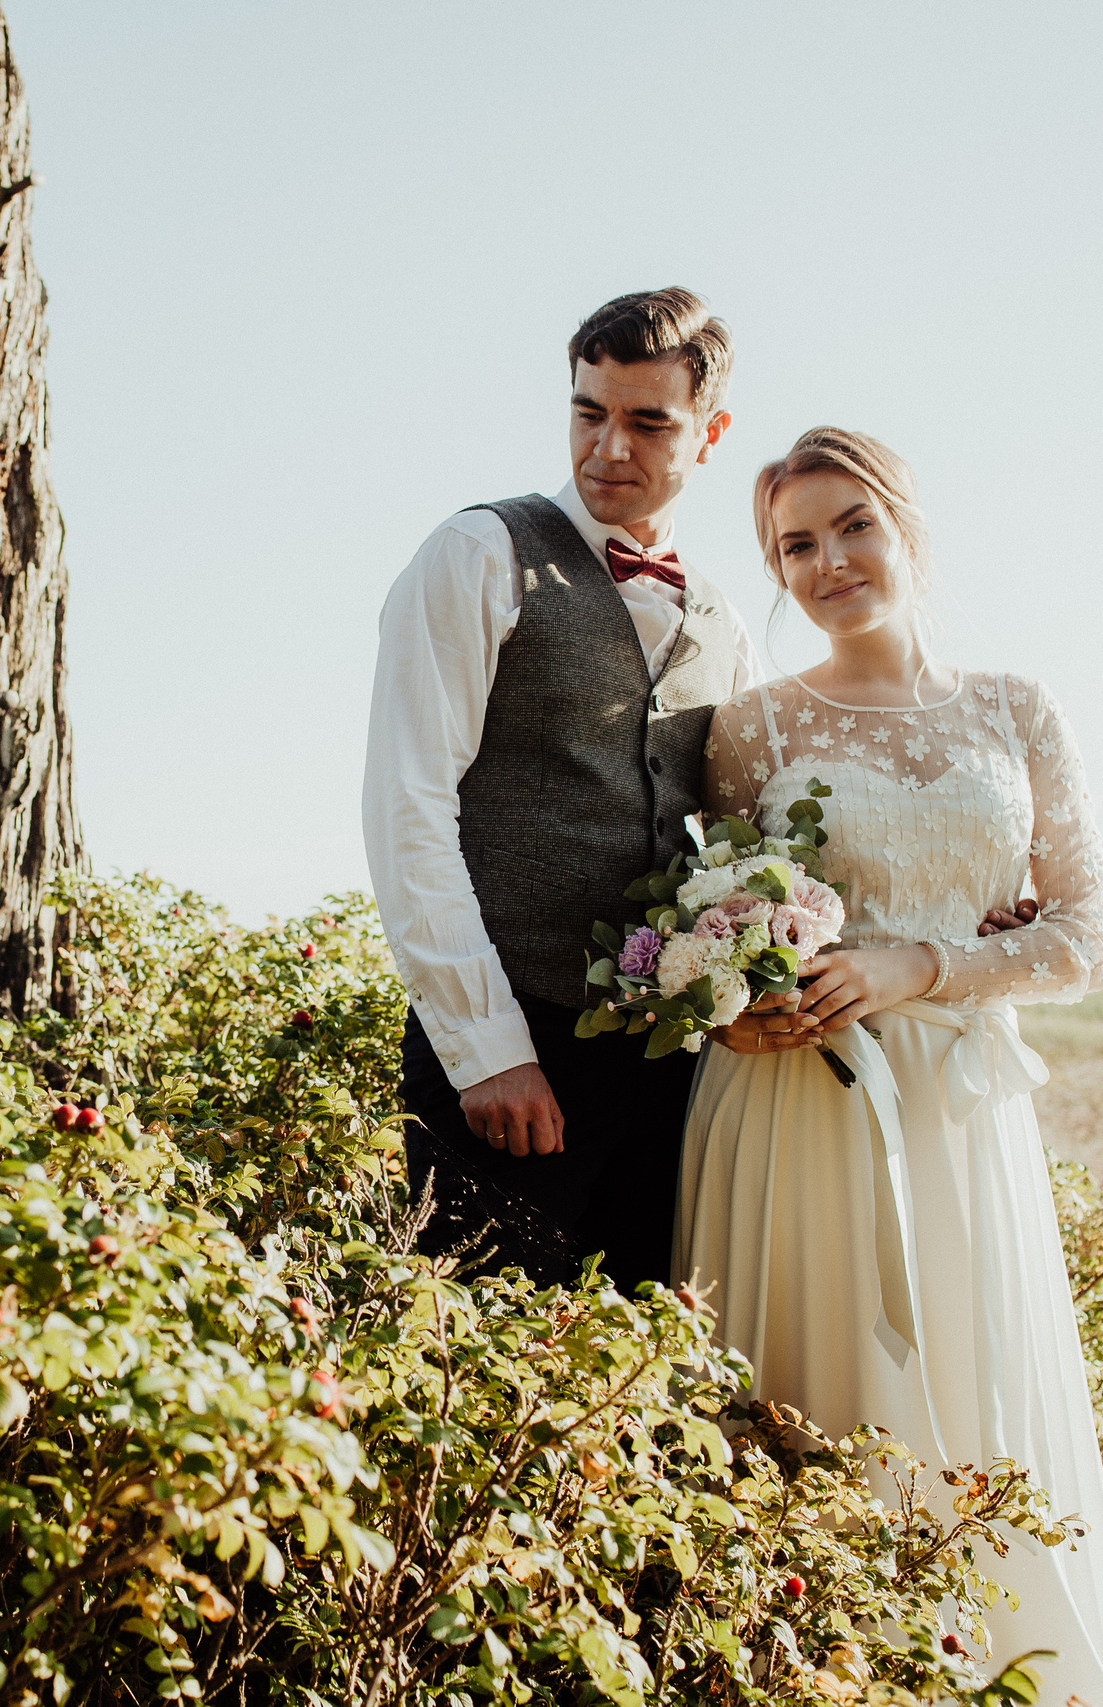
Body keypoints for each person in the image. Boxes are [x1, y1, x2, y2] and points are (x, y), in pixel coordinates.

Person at [680, 427, 1103, 1704]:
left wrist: (921, 968)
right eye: (795, 545)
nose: (828, 561)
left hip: (962, 1115)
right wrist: (741, 1004)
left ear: (905, 529)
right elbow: (707, 932)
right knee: (820, 1406)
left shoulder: (1017, 708)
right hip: (796, 1110)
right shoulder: (750, 730)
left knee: (976, 1394)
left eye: (851, 527)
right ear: (775, 573)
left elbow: (1088, 938)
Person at [360, 288, 761, 1289]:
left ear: (708, 434)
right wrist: (484, 1047)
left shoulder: (723, 618)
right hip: (511, 1038)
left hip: (670, 1071)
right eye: (589, 412)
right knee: (475, 1364)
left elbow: (742, 834)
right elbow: (408, 802)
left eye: (646, 423)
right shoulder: (477, 554)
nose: (607, 448)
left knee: (635, 1374)